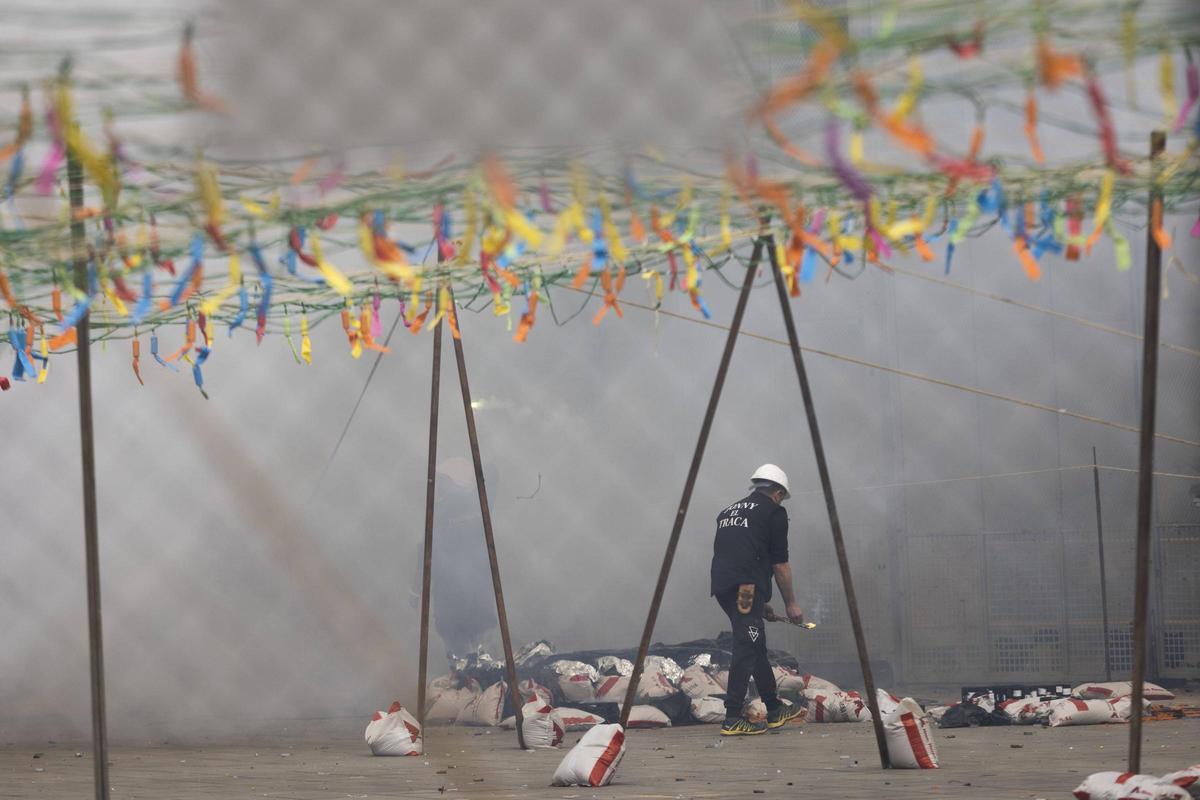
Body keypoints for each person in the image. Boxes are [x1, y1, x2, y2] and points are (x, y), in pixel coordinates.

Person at [709, 463, 806, 735]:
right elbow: (780, 564)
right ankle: (731, 718)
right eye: (782, 496)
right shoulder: (774, 512)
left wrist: (760, 602)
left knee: (754, 642)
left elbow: (741, 551)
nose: (781, 500)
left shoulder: (727, 511)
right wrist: (791, 604)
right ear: (776, 492)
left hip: (725, 586)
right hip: (746, 588)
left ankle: (774, 710)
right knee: (746, 644)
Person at [410, 457, 499, 664]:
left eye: (444, 481)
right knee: (479, 659)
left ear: (456, 480)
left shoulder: (466, 507)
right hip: (463, 600)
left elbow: (424, 556)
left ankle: (471, 682)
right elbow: (424, 552)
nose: (439, 486)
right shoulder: (476, 506)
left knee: (468, 659)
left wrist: (414, 593)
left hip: (464, 600)